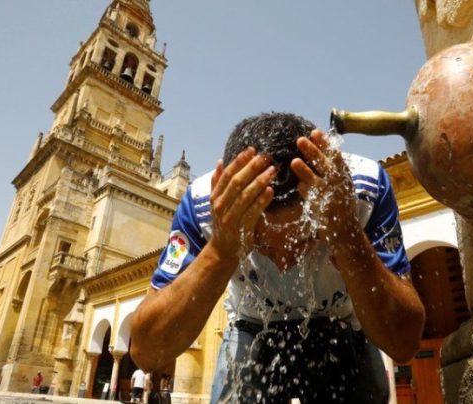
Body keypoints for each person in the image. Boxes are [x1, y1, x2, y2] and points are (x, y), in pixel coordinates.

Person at [131, 113, 425, 403]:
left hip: (341, 322)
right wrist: (220, 251)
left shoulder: (360, 193)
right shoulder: (206, 207)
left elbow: (403, 344)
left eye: (304, 241)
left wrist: (348, 237)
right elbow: (147, 352)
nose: (286, 262)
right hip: (251, 324)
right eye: (261, 245)